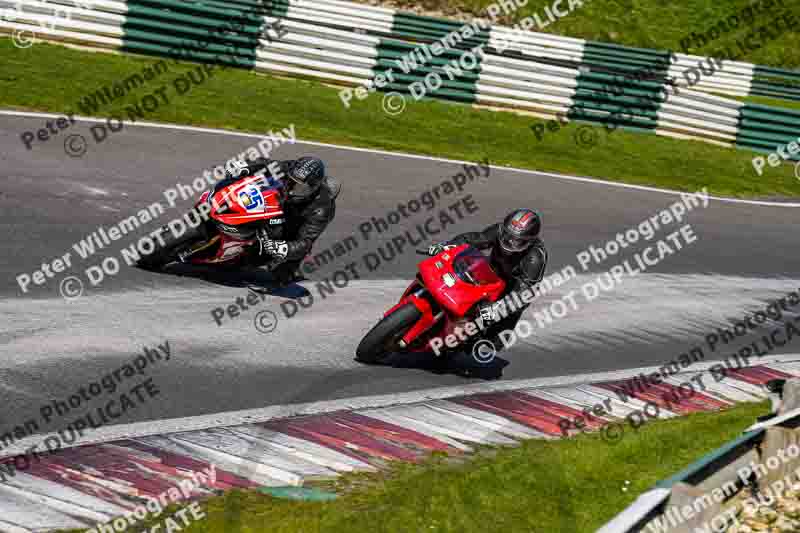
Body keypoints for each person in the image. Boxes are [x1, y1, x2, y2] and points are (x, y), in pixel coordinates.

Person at [428, 208, 547, 344]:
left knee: (493, 343)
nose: (508, 242)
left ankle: (466, 341)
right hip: (490, 274)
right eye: (507, 235)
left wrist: (498, 308)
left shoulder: (535, 257)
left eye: (517, 241)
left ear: (529, 242)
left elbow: (524, 292)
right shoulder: (499, 230)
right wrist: (447, 246)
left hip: (511, 290)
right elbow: (476, 239)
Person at [220, 156, 339, 284]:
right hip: (279, 203)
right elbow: (266, 164)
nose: (292, 190)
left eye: (299, 188)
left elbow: (305, 242)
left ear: (313, 189)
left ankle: (288, 268)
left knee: (279, 275)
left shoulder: (321, 209)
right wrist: (244, 165)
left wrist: (284, 248)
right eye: (291, 182)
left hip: (295, 223)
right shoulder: (293, 169)